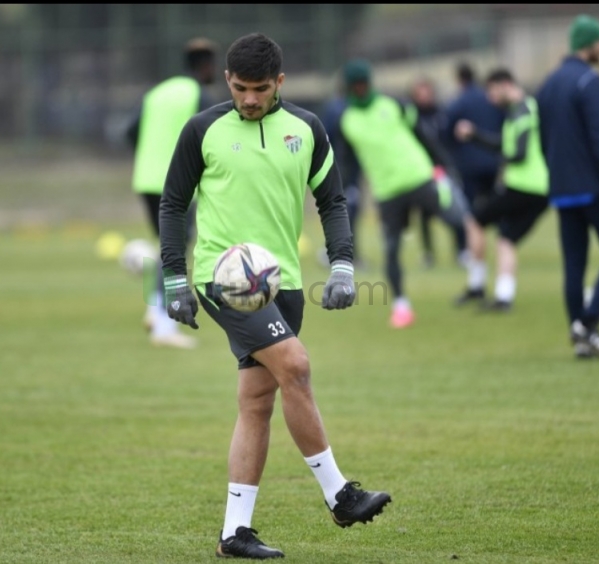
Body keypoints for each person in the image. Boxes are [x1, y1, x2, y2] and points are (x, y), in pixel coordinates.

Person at [158, 33, 391, 559]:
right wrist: (176, 278)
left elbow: (332, 200)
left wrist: (343, 266)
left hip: (282, 283)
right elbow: (173, 205)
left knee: (258, 401)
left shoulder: (307, 129)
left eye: (260, 89)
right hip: (226, 279)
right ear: (226, 81)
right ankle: (340, 495)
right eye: (240, 88)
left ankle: (234, 533)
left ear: (279, 82)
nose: (249, 99)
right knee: (297, 366)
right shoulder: (202, 129)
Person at [337, 59, 481, 329]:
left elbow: (424, 137)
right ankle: (401, 305)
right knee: (391, 249)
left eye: (362, 84)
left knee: (462, 221)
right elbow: (348, 162)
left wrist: (445, 166)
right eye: (354, 86)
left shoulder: (394, 105)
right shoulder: (348, 120)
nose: (359, 90)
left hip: (421, 178)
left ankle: (477, 280)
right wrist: (348, 188)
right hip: (387, 192)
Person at [536, 14, 599, 358]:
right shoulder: (588, 81)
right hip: (592, 186)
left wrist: (555, 177)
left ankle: (582, 339)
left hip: (562, 190)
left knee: (574, 265)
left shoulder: (547, 84)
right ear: (590, 44)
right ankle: (586, 324)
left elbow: (543, 139)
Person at [126, 37, 218, 349]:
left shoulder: (156, 92)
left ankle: (153, 306)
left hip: (145, 179)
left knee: (167, 247)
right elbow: (213, 137)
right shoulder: (199, 95)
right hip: (175, 184)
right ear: (205, 66)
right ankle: (163, 326)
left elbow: (130, 132)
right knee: (174, 251)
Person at [452, 68, 550, 311]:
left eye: (492, 91)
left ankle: (476, 286)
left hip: (523, 187)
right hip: (539, 191)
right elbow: (504, 145)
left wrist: (501, 163)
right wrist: (475, 136)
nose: (490, 98)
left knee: (474, 221)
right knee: (506, 238)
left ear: (505, 84)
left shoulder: (523, 110)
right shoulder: (518, 111)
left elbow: (519, 152)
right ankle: (504, 297)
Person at [408, 76, 465, 269]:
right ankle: (428, 253)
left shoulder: (442, 114)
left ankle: (461, 250)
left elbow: (450, 141)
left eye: (427, 92)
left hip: (444, 170)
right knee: (424, 213)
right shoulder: (411, 117)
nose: (424, 97)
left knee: (453, 208)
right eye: (420, 93)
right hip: (422, 171)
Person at [443, 62, 506, 223]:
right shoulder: (490, 99)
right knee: (495, 205)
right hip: (492, 160)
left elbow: (446, 131)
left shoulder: (458, 103)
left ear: (459, 80)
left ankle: (469, 243)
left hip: (468, 165)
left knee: (468, 209)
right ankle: (503, 237)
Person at [315, 86, 367, 271]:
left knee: (349, 212)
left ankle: (338, 252)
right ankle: (339, 254)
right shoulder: (341, 111)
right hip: (342, 171)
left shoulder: (336, 109)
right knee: (347, 212)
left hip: (345, 170)